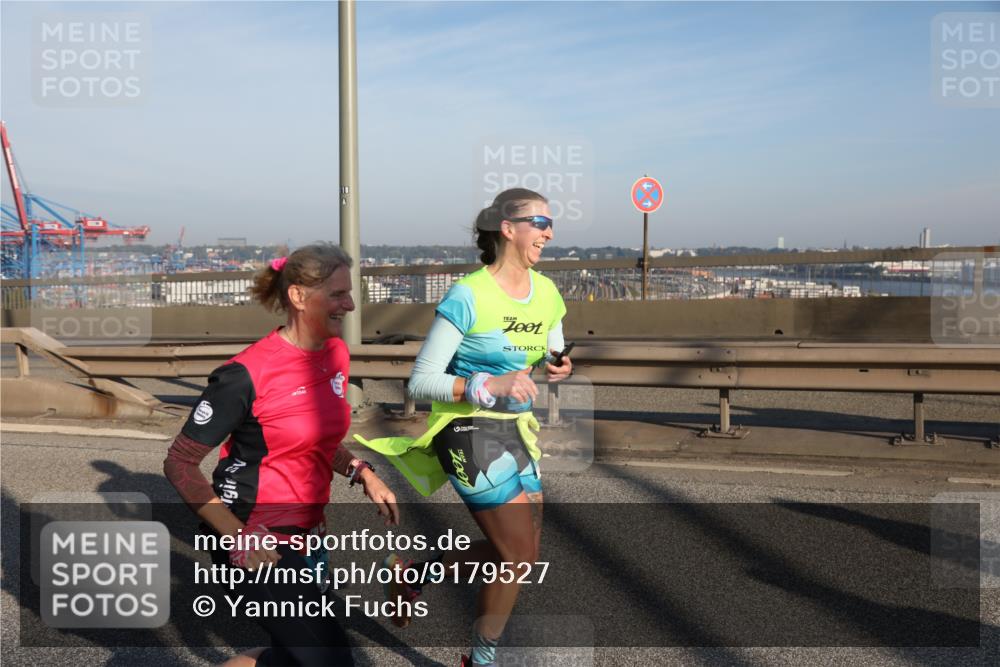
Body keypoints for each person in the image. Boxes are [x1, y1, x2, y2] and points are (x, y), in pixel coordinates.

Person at [355, 188, 572, 667]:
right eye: (540, 222)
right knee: (515, 556)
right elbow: (423, 380)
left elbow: (553, 350)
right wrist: (487, 384)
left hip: (517, 430)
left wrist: (559, 364)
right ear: (507, 229)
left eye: (551, 223)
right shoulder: (469, 294)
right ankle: (480, 661)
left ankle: (414, 574)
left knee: (523, 554)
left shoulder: (548, 293)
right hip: (469, 429)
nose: (549, 232)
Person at [163, 242, 399, 667]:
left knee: (295, 658)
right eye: (338, 294)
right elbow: (179, 462)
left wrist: (361, 471)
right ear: (298, 296)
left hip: (309, 535)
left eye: (350, 293)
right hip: (254, 535)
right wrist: (238, 535)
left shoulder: (336, 354)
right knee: (329, 660)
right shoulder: (245, 374)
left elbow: (314, 439)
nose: (349, 305)